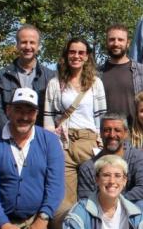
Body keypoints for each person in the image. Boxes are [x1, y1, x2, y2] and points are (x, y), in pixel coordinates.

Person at [0, 88, 64, 229]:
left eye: (30, 111)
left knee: (68, 215)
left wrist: (42, 218)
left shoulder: (50, 141)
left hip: (38, 216)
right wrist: (3, 223)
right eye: (19, 110)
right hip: (2, 218)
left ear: (36, 114)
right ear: (8, 111)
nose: (24, 117)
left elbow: (55, 184)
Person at [43, 38, 106, 216]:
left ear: (87, 57)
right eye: (72, 52)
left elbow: (101, 117)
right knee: (64, 201)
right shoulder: (55, 84)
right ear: (66, 55)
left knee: (94, 193)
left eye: (81, 53)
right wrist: (51, 146)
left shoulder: (95, 83)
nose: (76, 56)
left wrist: (101, 144)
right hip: (64, 143)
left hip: (89, 142)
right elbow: (48, 119)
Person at [77, 113, 143, 225]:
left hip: (130, 207)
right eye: (107, 130)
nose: (112, 134)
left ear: (125, 133)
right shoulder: (88, 167)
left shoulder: (136, 156)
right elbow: (85, 200)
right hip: (101, 214)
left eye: (117, 130)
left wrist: (115, 201)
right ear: (100, 133)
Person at [0, 24, 54, 129]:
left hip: (40, 138)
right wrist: (9, 133)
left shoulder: (50, 77)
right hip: (9, 136)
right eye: (24, 42)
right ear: (17, 45)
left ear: (39, 46)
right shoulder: (3, 75)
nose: (28, 47)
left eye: (32, 42)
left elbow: (53, 112)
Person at [100, 24, 143, 124]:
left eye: (120, 40)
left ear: (128, 43)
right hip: (106, 133)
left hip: (135, 133)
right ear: (106, 42)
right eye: (112, 39)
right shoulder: (97, 74)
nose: (116, 43)